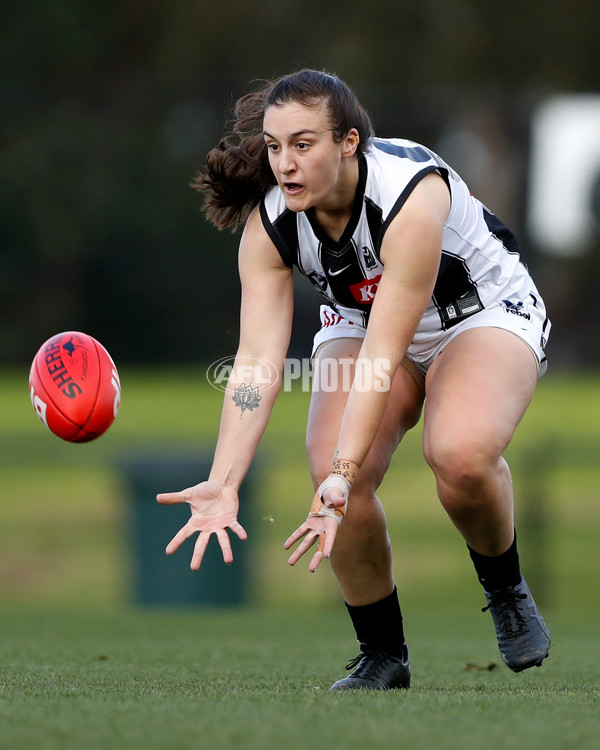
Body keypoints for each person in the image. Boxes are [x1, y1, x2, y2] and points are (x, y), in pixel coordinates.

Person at [156, 69, 552, 690]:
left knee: (459, 456)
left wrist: (344, 472)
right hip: (363, 321)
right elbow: (258, 361)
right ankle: (382, 654)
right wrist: (225, 480)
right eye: (275, 145)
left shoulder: (408, 199)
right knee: (331, 471)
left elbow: (381, 359)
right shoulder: (270, 225)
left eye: (303, 144)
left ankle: (504, 587)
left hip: (481, 315)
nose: (285, 163)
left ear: (349, 143)